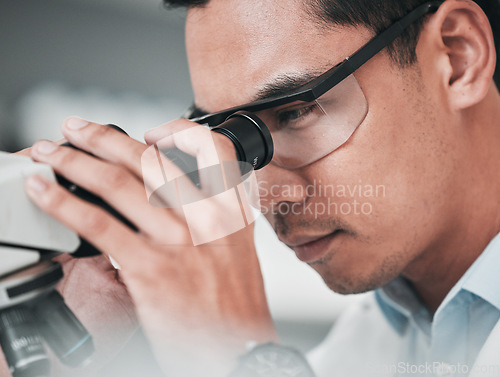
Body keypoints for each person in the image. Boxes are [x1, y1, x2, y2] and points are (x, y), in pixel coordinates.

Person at [11, 0, 500, 376]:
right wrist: (52, 358)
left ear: (458, 57)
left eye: (295, 112)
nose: (267, 194)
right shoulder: (369, 348)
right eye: (233, 142)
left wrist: (236, 350)